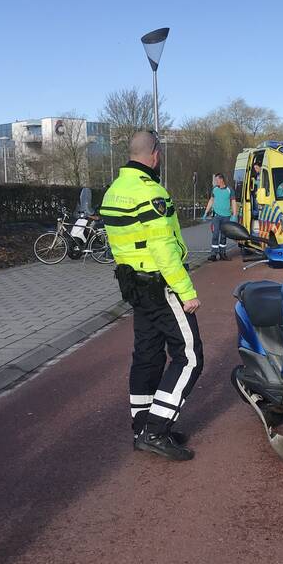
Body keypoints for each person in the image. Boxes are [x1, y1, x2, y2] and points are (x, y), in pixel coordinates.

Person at [99, 131, 203, 461]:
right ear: (155, 154)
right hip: (160, 285)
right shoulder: (151, 193)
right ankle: (157, 430)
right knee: (190, 357)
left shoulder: (113, 192)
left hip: (133, 286)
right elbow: (163, 248)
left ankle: (142, 426)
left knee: (148, 355)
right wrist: (186, 291)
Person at [204, 173, 236, 261]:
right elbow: (211, 200)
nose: (216, 181)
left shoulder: (230, 190)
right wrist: (206, 211)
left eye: (217, 180)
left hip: (226, 216)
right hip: (216, 216)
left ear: (221, 180)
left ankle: (222, 253)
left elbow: (233, 202)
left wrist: (234, 214)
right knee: (215, 234)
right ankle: (213, 254)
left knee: (224, 235)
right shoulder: (214, 189)